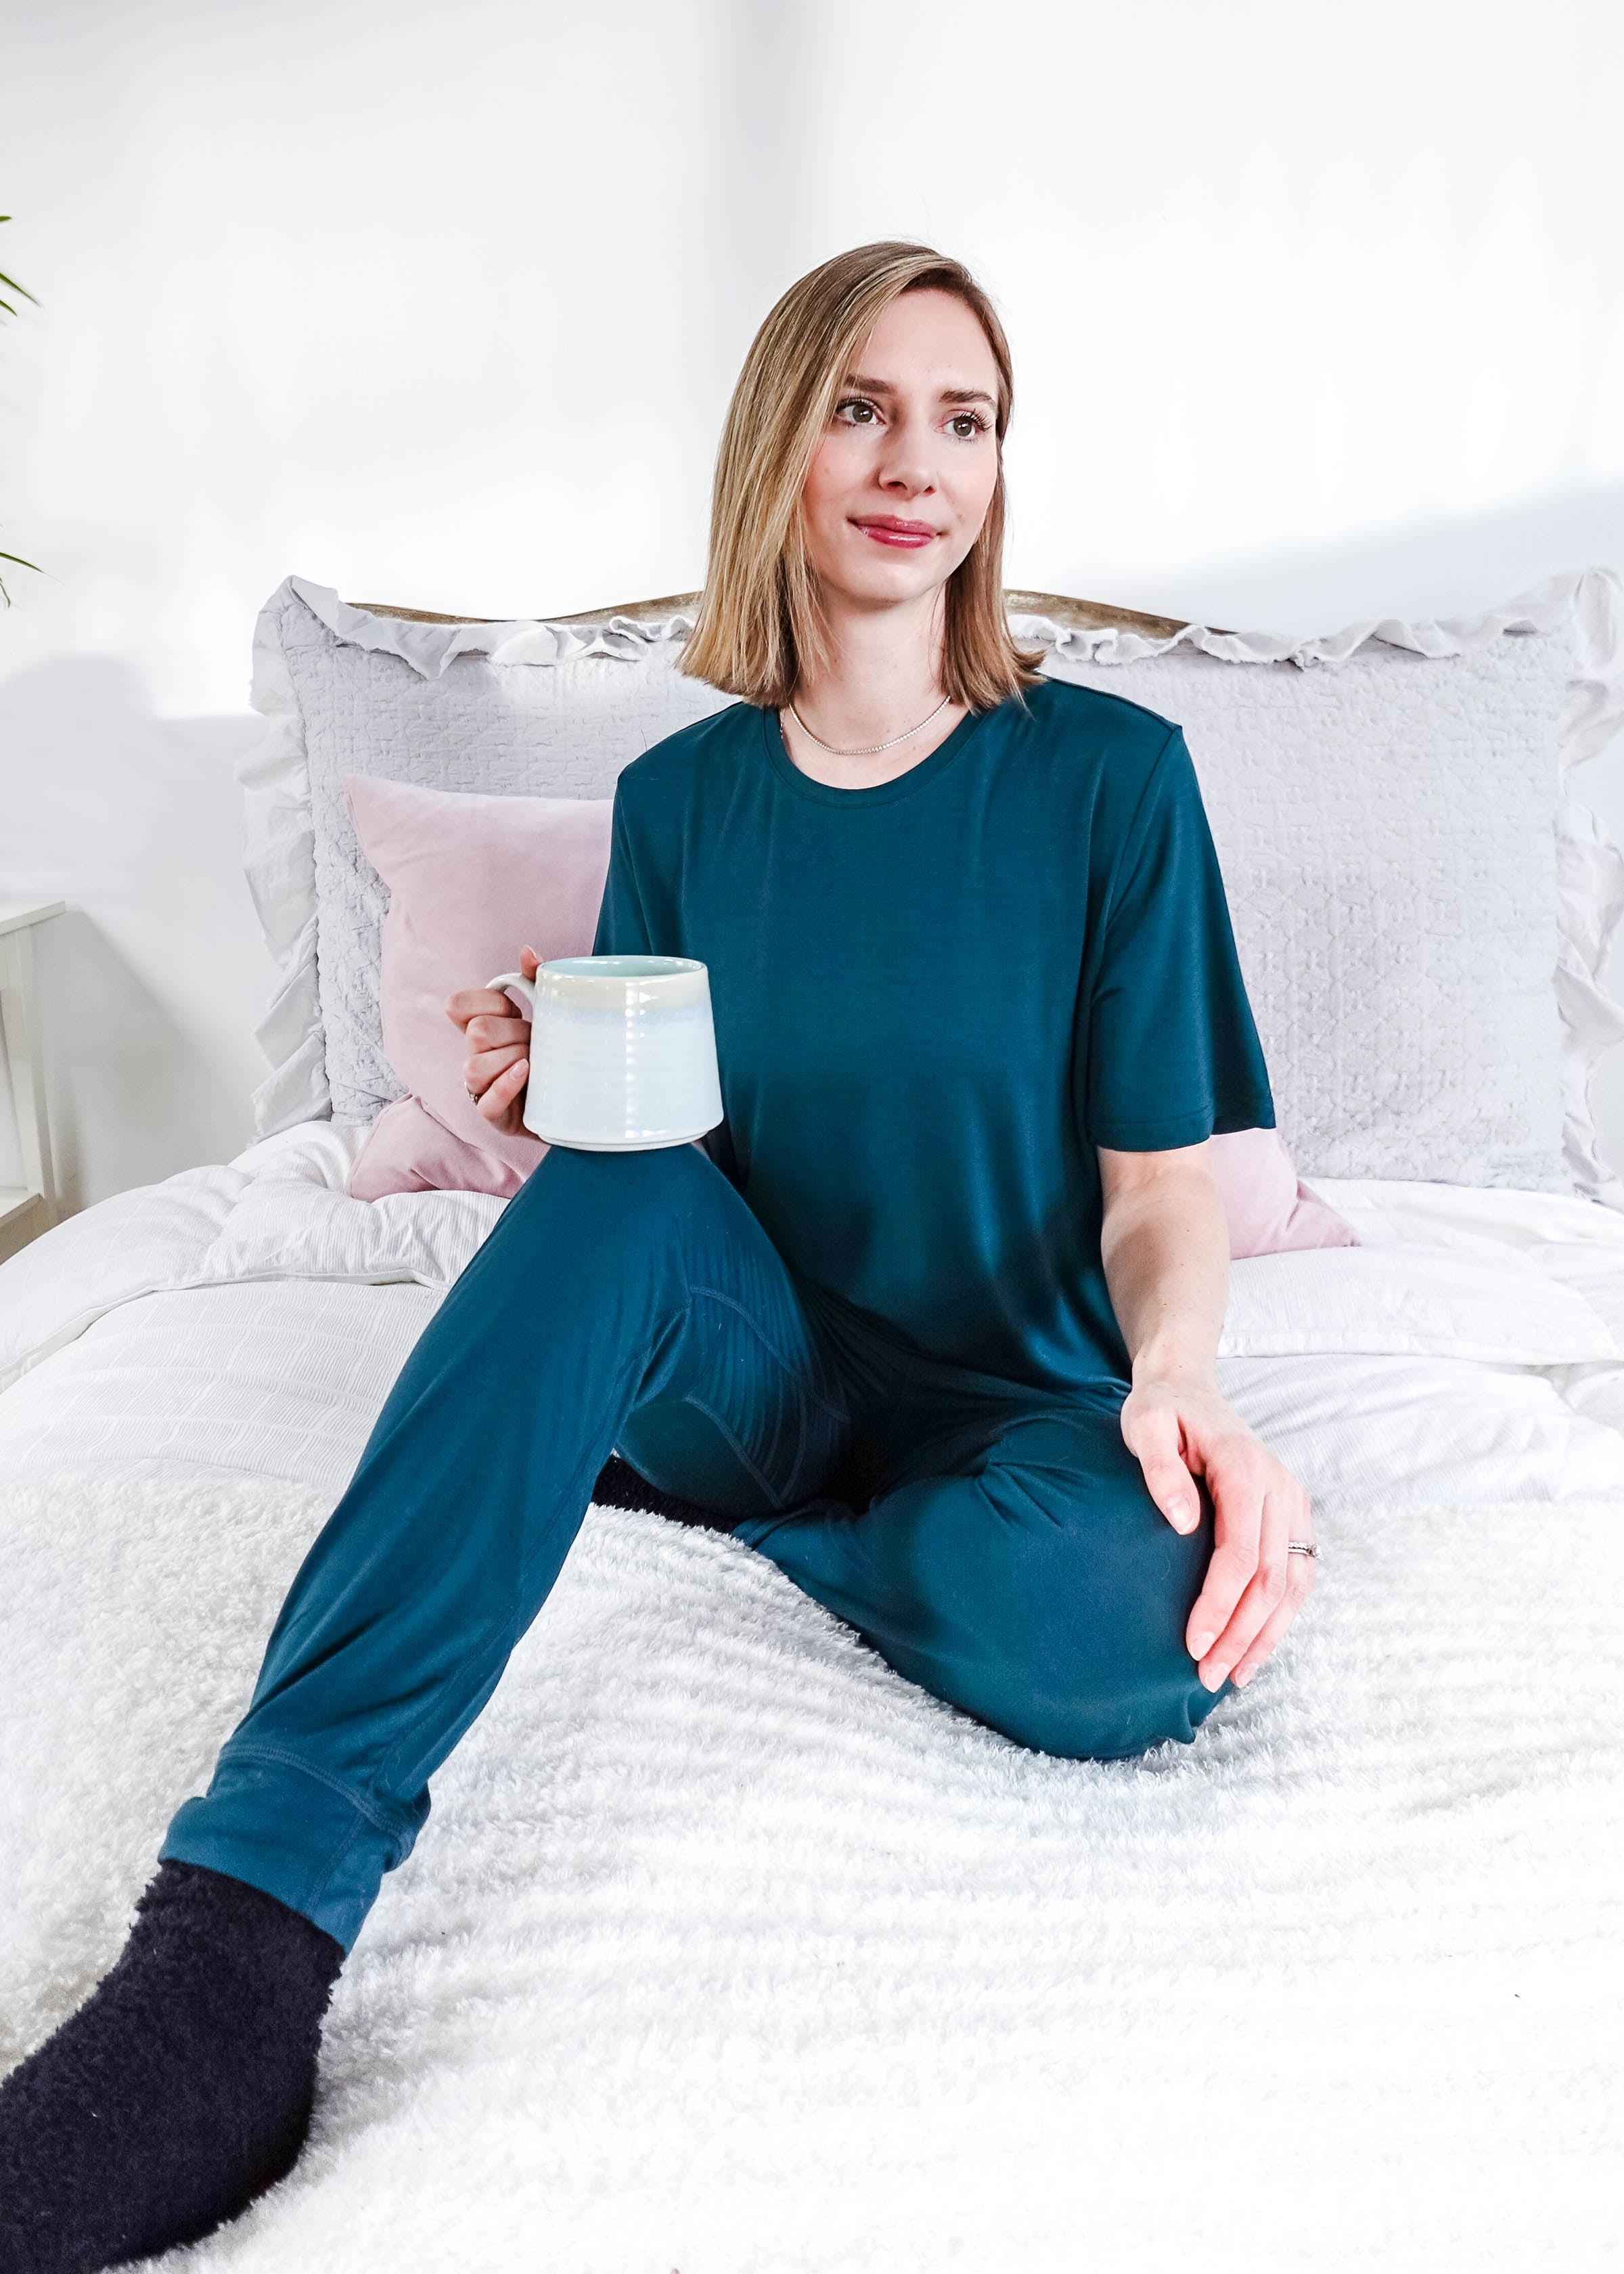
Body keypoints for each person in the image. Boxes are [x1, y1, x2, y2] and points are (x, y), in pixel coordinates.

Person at [0, 241, 1315, 2273]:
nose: (916, 463)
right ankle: (237, 1947)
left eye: (964, 419)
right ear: (779, 445)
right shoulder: (681, 798)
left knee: (1128, 1648)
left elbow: (1157, 1185)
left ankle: (818, 1546)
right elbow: (679, 1161)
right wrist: (555, 1100)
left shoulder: (1111, 779)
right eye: (864, 408)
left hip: (1010, 1408)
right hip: (765, 1373)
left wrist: (1181, 1375)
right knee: (604, 1199)